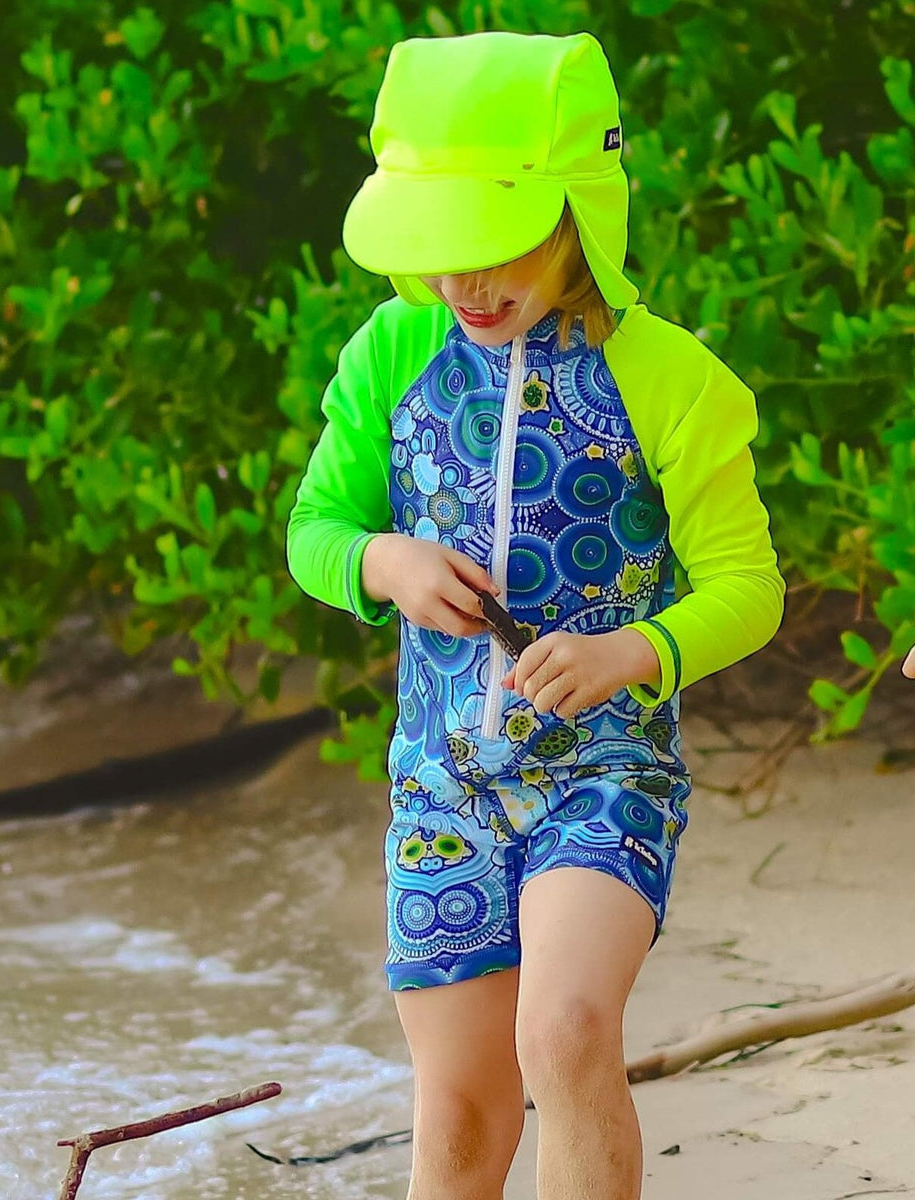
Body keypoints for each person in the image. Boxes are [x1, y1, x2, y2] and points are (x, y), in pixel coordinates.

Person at [285, 30, 786, 1200]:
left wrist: (634, 652)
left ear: (577, 213)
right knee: (457, 1114)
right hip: (443, 784)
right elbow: (314, 531)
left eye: (496, 243)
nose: (465, 284)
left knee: (562, 1035)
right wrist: (382, 561)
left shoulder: (670, 379)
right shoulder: (392, 353)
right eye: (438, 248)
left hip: (604, 772)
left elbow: (749, 589)